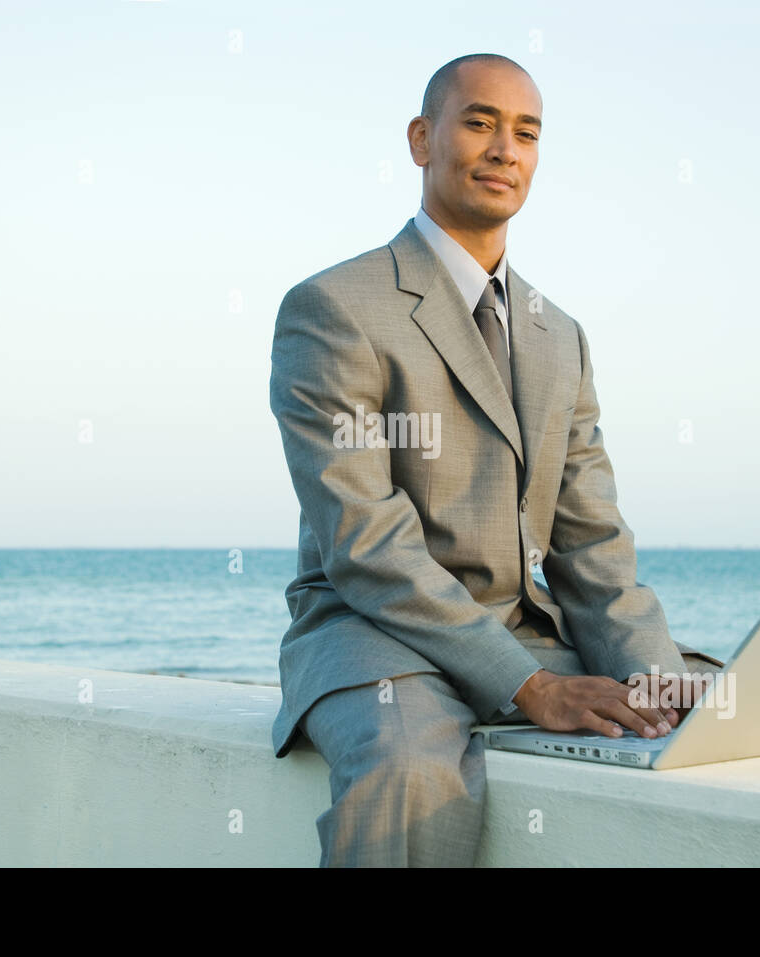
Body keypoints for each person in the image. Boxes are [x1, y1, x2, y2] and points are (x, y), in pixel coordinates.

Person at [267, 52, 723, 867]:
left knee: (721, 702)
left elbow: (590, 547)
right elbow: (366, 545)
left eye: (526, 132)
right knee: (407, 767)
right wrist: (532, 688)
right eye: (479, 122)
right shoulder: (334, 309)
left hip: (520, 625)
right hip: (372, 634)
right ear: (421, 139)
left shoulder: (560, 336)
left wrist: (655, 682)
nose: (504, 149)